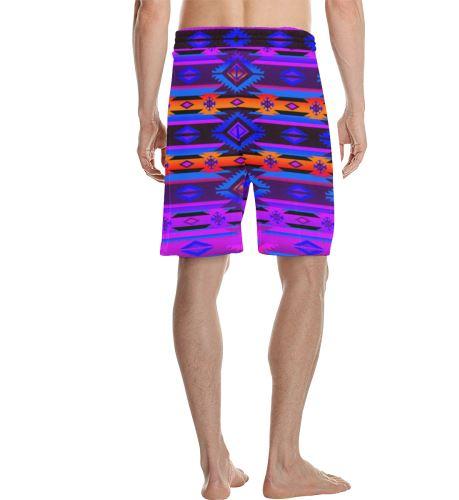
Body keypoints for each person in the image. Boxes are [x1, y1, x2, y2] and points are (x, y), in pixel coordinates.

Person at [133, 0, 366, 498]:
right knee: (306, 269)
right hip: (286, 75)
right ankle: (284, 463)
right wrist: (357, 105)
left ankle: (214, 465)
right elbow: (343, 6)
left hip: (200, 74)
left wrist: (145, 111)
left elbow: (151, 11)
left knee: (198, 268)